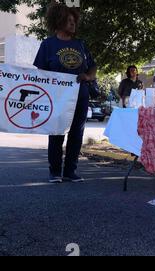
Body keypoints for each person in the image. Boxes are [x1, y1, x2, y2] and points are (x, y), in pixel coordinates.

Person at [33, 3, 97, 183]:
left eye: (73, 20)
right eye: (68, 21)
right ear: (58, 21)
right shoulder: (48, 44)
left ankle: (70, 171)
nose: (72, 24)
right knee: (57, 132)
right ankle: (55, 172)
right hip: (57, 98)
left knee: (77, 133)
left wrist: (88, 76)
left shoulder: (80, 44)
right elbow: (41, 73)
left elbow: (93, 66)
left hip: (80, 96)